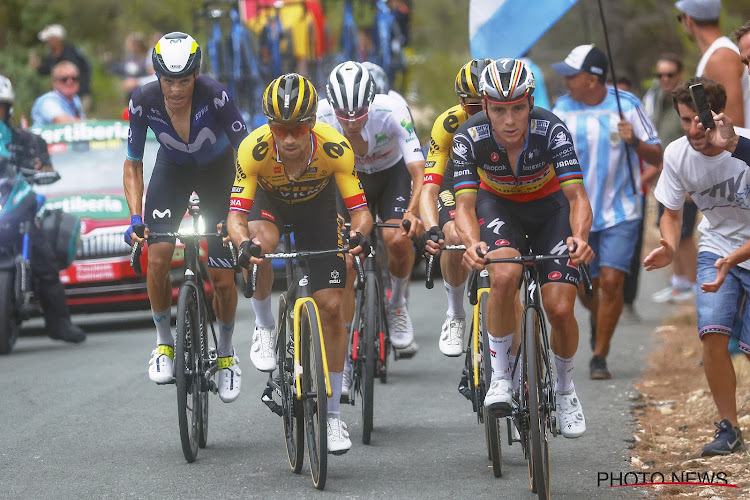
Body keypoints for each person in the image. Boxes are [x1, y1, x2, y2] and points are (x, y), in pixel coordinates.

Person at [227, 73, 373, 454]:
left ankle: (334, 416)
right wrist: (243, 244)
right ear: (269, 125)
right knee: (263, 244)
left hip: (317, 209)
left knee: (329, 307)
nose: (289, 138)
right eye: (280, 128)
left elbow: (360, 212)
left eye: (297, 128)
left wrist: (358, 235)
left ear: (311, 123)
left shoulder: (335, 147)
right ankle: (263, 323)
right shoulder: (252, 150)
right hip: (269, 205)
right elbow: (236, 218)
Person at [454, 58, 595, 438]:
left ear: (530, 102)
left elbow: (577, 196)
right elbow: (465, 206)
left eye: (518, 107)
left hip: (552, 209)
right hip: (498, 207)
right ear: (484, 106)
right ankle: (501, 378)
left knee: (560, 307)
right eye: (499, 109)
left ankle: (565, 391)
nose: (510, 119)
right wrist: (471, 243)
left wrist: (580, 238)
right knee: (503, 276)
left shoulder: (552, 130)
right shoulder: (469, 137)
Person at [123, 32, 248, 403]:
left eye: (184, 80)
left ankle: (226, 353)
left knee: (224, 278)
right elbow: (132, 164)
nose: (176, 89)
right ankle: (164, 343)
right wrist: (134, 217)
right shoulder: (142, 100)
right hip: (172, 171)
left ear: (196, 75)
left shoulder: (216, 94)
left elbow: (247, 155)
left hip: (219, 175)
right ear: (157, 76)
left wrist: (239, 210)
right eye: (168, 80)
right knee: (157, 259)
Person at [644, 77, 750, 456]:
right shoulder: (677, 154)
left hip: (746, 252)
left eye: (700, 121)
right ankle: (729, 428)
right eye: (686, 120)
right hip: (716, 247)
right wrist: (670, 247)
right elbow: (670, 213)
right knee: (712, 335)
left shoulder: (745, 150)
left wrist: (736, 258)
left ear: (719, 116)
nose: (694, 130)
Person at [552, 44, 663, 380]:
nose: (566, 80)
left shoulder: (626, 105)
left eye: (572, 74)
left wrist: (635, 143)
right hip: (577, 213)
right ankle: (598, 317)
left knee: (613, 282)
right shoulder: (561, 108)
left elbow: (657, 155)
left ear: (592, 78)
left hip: (621, 210)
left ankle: (600, 354)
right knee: (589, 289)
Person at [317, 61, 425, 357]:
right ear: (332, 105)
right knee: (347, 259)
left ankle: (398, 305)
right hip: (348, 178)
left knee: (398, 239)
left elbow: (418, 171)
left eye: (359, 114)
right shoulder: (320, 116)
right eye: (344, 115)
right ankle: (347, 336)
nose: (351, 123)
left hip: (392, 175)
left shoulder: (392, 110)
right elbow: (315, 171)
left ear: (371, 100)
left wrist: (412, 212)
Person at [0, 75, 85, 344]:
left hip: (17, 210)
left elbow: (44, 167)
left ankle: (59, 322)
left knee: (45, 262)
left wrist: (43, 170)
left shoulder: (28, 140)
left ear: (9, 108)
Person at [420, 58, 492, 357]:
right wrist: (431, 228)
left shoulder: (512, 119)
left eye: (484, 106)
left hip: (494, 179)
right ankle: (455, 313)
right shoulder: (448, 122)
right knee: (452, 234)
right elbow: (430, 186)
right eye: (471, 108)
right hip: (456, 177)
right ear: (461, 102)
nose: (479, 114)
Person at [641, 53, 699, 304]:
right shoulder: (660, 101)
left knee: (684, 235)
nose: (664, 79)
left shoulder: (689, 104)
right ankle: (679, 283)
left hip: (685, 179)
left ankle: (695, 285)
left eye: (669, 74)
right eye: (660, 74)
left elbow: (694, 142)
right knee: (671, 233)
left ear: (680, 74)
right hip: (667, 180)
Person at [675, 0, 749, 127]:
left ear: (688, 19)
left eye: (679, 18)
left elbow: (733, 124)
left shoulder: (720, 58)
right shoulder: (716, 54)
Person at [29, 24, 92, 113]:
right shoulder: (51, 55)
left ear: (57, 39)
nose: (47, 42)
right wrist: (38, 67)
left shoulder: (70, 53)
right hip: (63, 98)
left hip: (79, 96)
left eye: (49, 40)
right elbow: (47, 71)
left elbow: (76, 73)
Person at [31, 61, 86, 126]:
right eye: (64, 79)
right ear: (54, 83)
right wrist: (92, 124)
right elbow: (61, 121)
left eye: (74, 78)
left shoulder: (75, 100)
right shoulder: (47, 101)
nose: (70, 82)